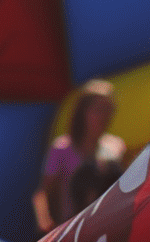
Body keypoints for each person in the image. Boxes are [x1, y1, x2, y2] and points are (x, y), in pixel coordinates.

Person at [32, 78, 126, 235]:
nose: (105, 116)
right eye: (99, 110)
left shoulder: (116, 147)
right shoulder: (62, 148)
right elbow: (43, 192)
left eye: (109, 109)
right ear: (84, 112)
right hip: (73, 228)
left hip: (107, 229)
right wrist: (45, 221)